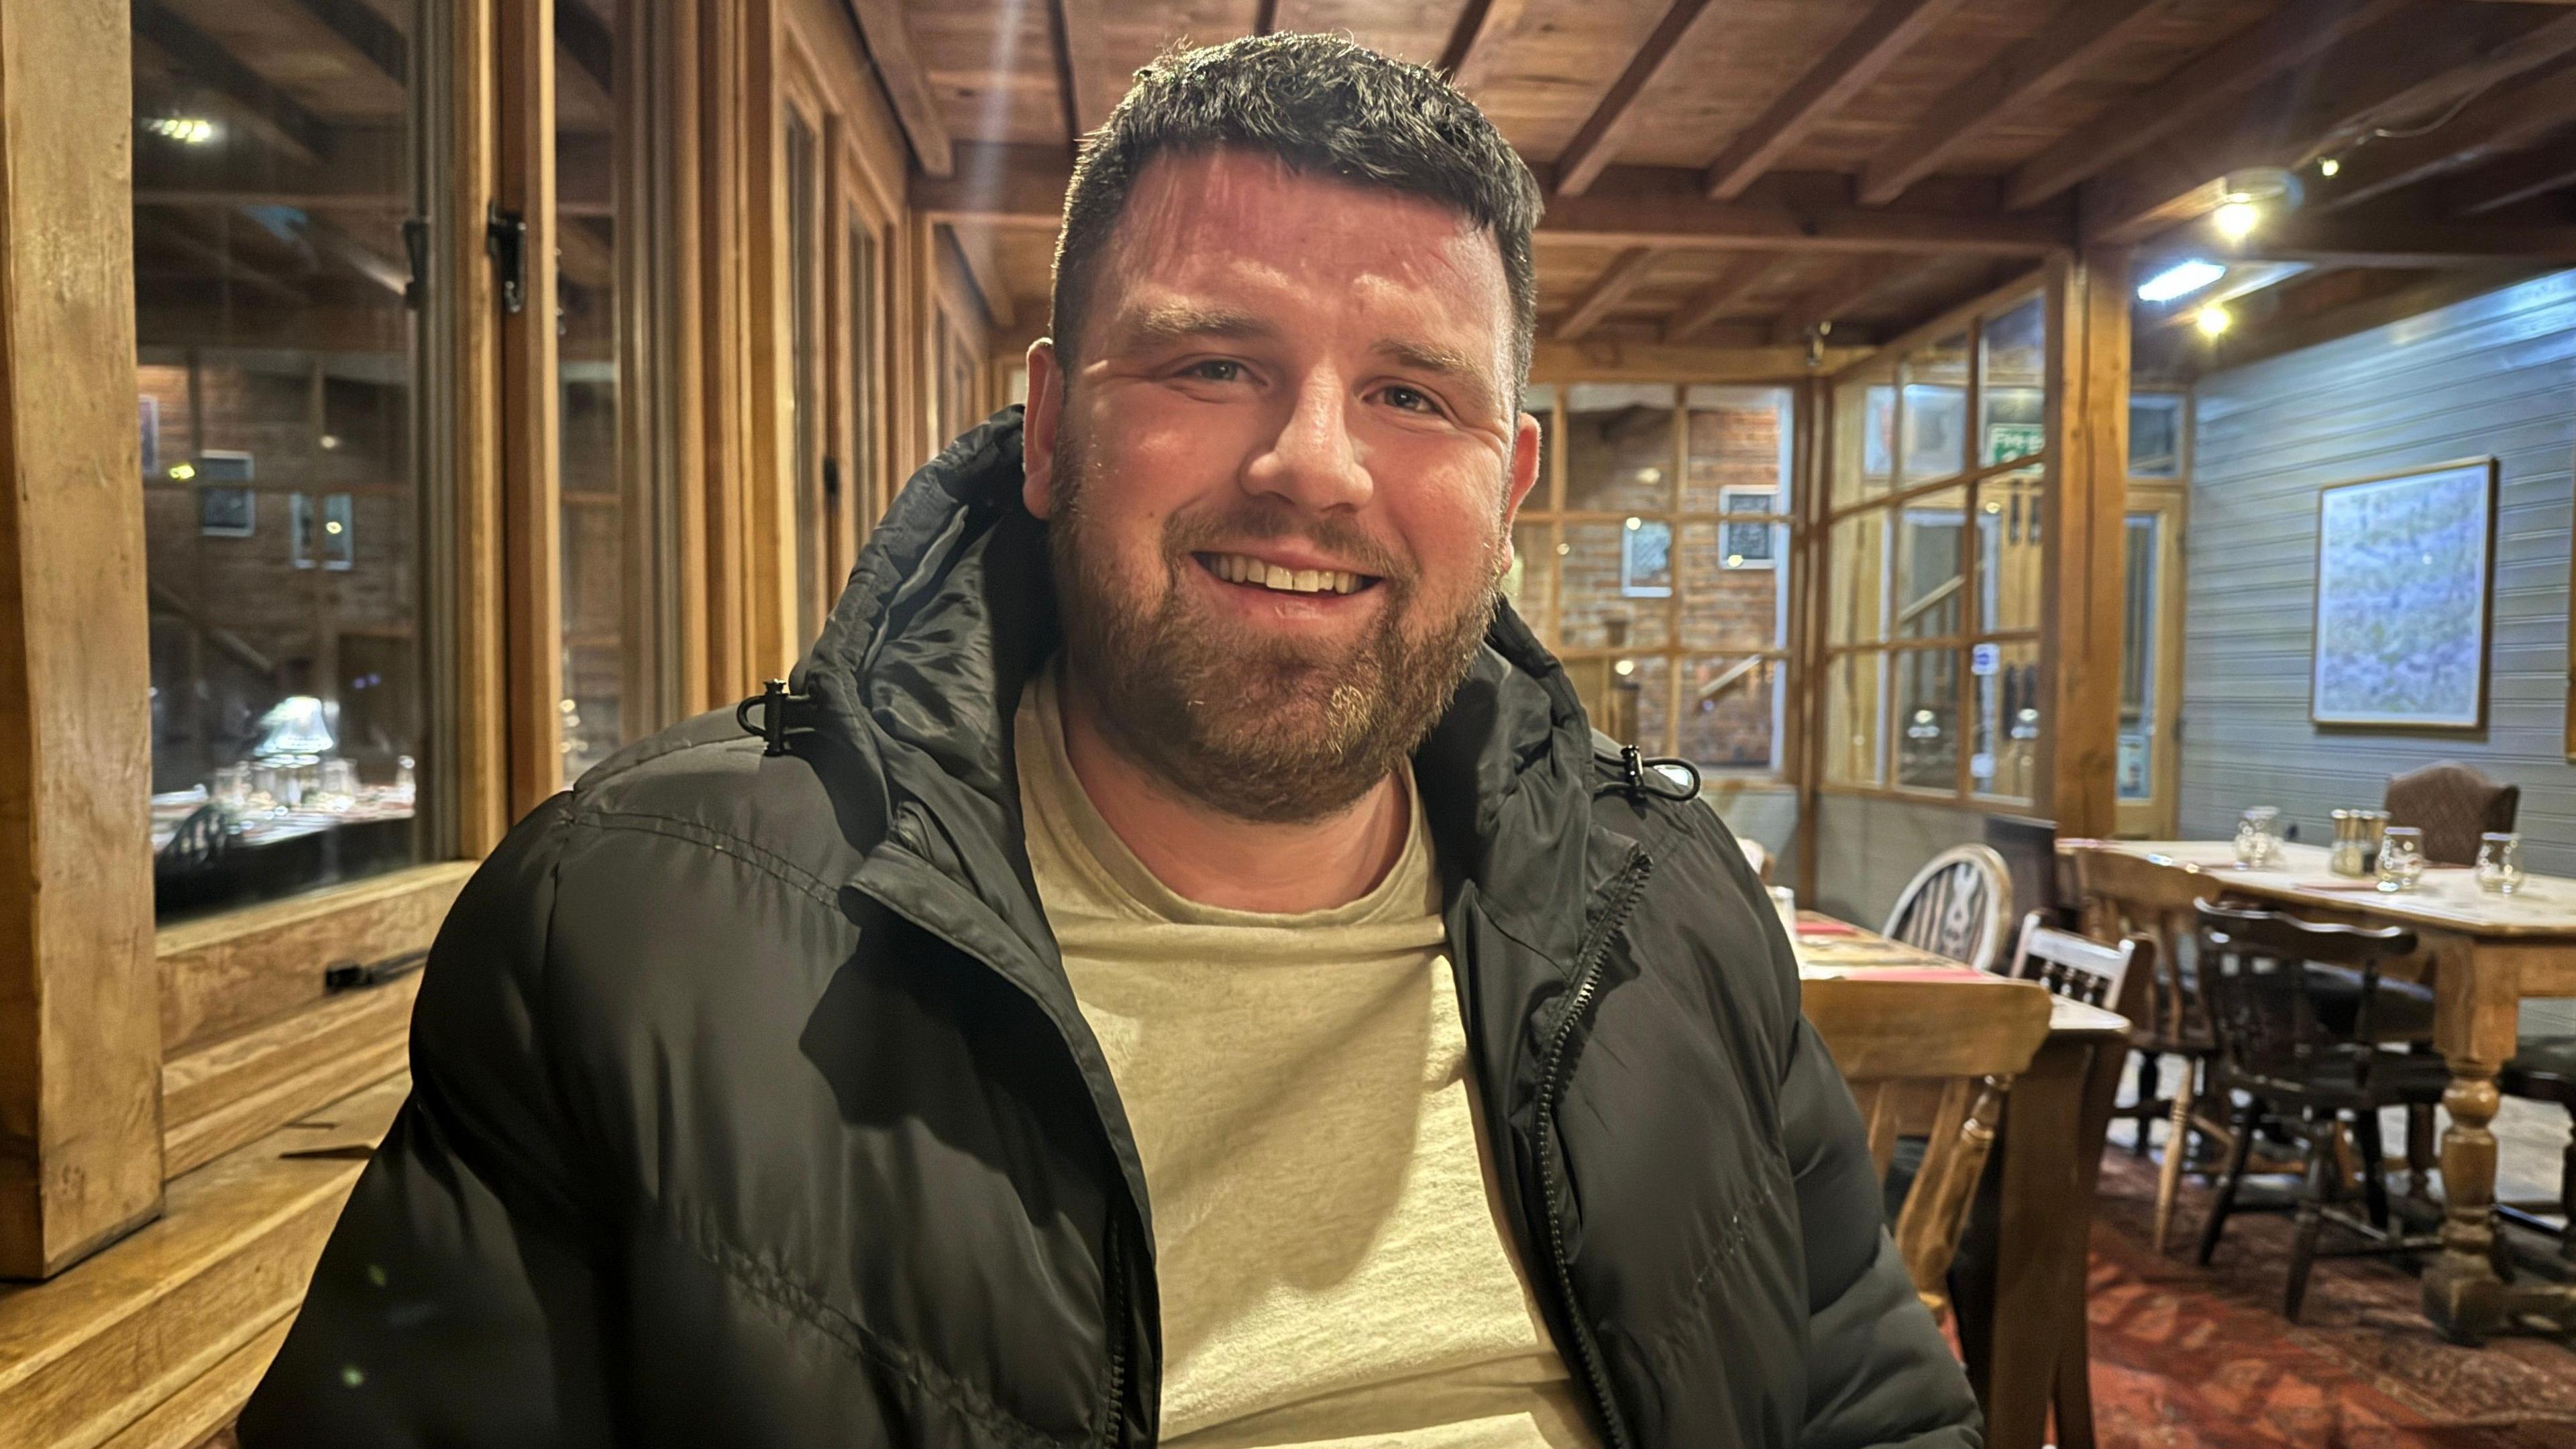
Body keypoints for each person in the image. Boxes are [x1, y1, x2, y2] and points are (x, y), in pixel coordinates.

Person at [239, 34, 1981, 1449]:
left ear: (1509, 486)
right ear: (1054, 432)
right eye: (1214, 362)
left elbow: (1871, 1408)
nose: (1316, 462)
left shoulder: (1673, 902)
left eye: (1411, 391)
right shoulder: (626, 930)